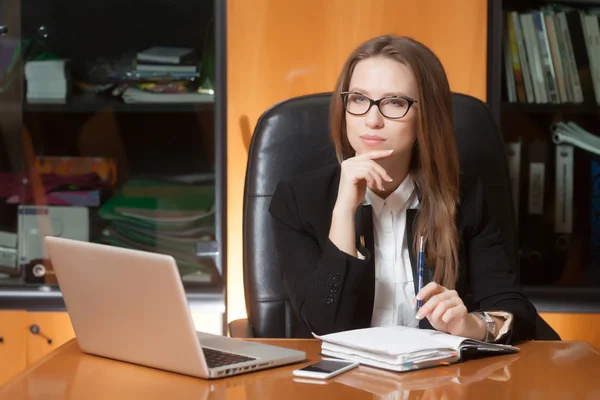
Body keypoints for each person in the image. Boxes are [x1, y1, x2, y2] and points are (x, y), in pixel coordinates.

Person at [268, 34, 536, 344]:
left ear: (427, 116)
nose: (372, 119)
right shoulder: (298, 201)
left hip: (436, 385)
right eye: (358, 99)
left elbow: (516, 312)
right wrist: (343, 212)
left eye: (395, 102)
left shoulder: (465, 197)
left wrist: (470, 325)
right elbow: (325, 326)